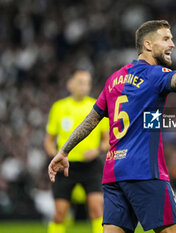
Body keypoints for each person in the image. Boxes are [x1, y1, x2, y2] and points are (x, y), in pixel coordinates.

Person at [48, 18, 176, 233]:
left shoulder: (114, 79)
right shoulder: (153, 75)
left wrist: (64, 150)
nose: (172, 44)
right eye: (166, 39)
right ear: (148, 45)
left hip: (114, 173)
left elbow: (91, 120)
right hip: (144, 170)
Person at [44, 70, 109, 233]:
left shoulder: (97, 106)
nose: (84, 86)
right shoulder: (59, 107)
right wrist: (55, 157)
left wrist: (97, 150)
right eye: (80, 82)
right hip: (65, 167)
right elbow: (48, 142)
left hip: (91, 166)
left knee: (97, 209)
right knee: (60, 213)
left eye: (87, 82)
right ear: (70, 85)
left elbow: (108, 141)